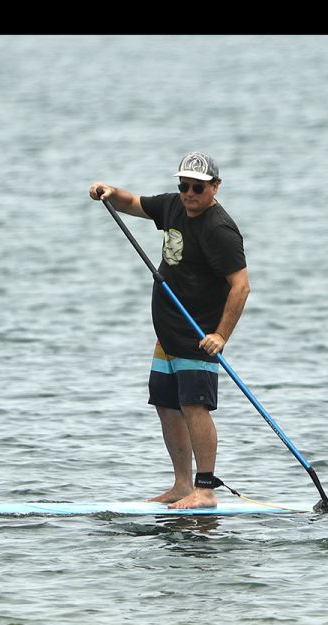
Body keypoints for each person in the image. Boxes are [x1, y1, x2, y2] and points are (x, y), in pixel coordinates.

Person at [90, 152, 249, 509]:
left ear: (214, 187)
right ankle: (181, 485)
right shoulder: (174, 206)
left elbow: (241, 286)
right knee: (166, 404)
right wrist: (110, 191)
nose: (189, 193)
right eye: (183, 186)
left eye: (197, 187)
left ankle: (205, 489)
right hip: (168, 333)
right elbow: (133, 203)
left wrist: (220, 336)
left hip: (198, 335)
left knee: (195, 406)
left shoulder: (220, 230)